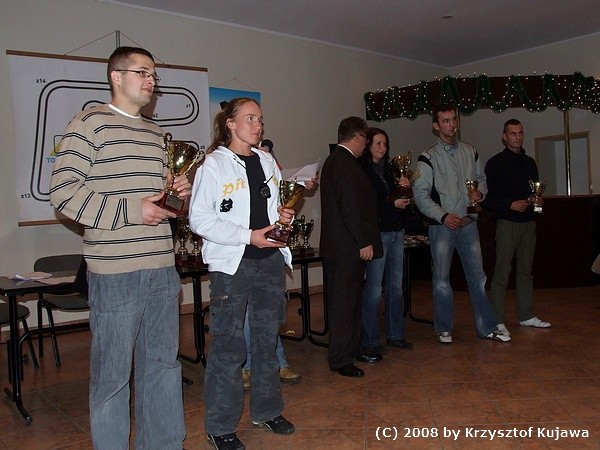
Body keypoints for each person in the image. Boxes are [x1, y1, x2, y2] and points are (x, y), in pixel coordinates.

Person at [49, 46, 188, 448]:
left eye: (154, 75)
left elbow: (159, 201)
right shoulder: (89, 123)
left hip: (162, 269)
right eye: (142, 72)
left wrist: (178, 191)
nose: (151, 81)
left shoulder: (157, 135)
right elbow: (63, 193)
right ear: (116, 76)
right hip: (115, 273)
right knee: (112, 378)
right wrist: (132, 209)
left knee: (163, 367)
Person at [188, 98, 296, 450]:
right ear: (230, 124)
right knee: (229, 346)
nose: (257, 125)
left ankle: (267, 410)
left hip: (270, 261)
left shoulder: (267, 161)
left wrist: (284, 217)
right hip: (233, 266)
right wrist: (248, 236)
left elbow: (275, 206)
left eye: (260, 119)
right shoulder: (213, 165)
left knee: (266, 341)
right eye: (250, 118)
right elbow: (199, 219)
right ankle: (220, 426)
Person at [412, 104, 510, 344]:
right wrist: (443, 216)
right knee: (442, 280)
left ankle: (487, 327)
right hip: (442, 227)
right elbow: (420, 195)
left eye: (453, 119)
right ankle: (444, 328)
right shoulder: (428, 157)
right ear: (436, 126)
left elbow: (481, 180)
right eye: (445, 121)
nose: (451, 125)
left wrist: (480, 193)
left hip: (469, 223)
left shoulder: (470, 151)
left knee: (479, 278)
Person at [320, 116, 383, 378]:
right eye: (365, 140)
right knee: (343, 304)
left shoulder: (340, 161)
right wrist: (363, 241)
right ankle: (340, 359)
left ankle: (351, 349)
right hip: (345, 247)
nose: (365, 145)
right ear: (357, 137)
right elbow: (350, 207)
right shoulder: (343, 163)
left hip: (344, 247)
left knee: (350, 302)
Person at [483, 119, 551, 333]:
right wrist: (510, 204)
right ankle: (497, 320)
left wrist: (536, 202)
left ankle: (526, 315)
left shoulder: (529, 162)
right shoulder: (495, 163)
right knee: (502, 272)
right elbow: (487, 198)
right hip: (507, 223)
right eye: (513, 133)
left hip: (528, 223)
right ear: (504, 137)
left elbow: (534, 193)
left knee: (526, 272)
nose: (517, 137)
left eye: (520, 133)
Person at [359, 127, 413, 354]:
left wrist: (405, 189)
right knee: (373, 288)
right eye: (378, 144)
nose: (382, 148)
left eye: (385, 144)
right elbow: (366, 203)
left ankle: (396, 335)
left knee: (395, 287)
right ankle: (370, 339)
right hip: (377, 233)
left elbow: (400, 200)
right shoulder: (362, 169)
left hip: (396, 231)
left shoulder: (391, 169)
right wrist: (392, 204)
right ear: (368, 145)